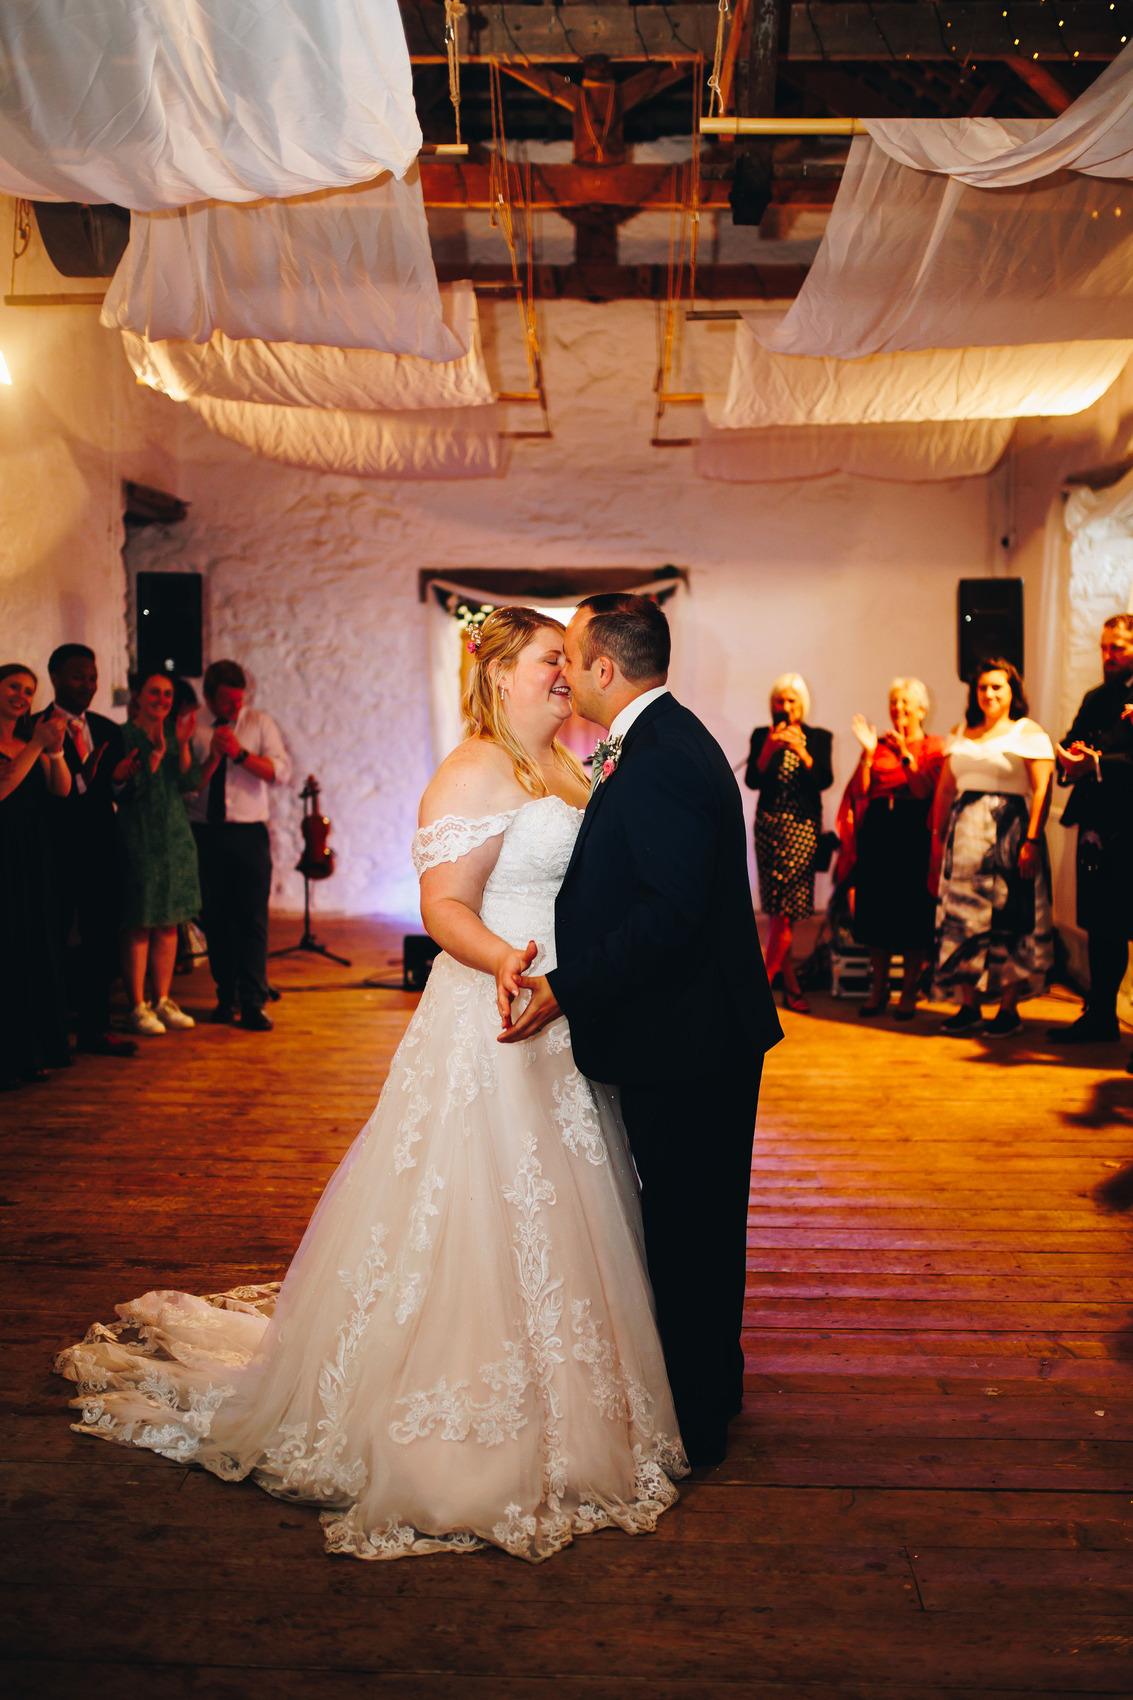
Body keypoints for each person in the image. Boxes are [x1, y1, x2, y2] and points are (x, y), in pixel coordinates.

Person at [57, 608, 687, 1563]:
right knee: (474, 1210)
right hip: (497, 1010)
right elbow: (443, 908)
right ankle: (451, 1419)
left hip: (566, 1018)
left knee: (567, 1210)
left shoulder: (573, 761)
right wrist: (510, 968)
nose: (568, 674)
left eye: (568, 660)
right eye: (552, 660)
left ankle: (577, 1398)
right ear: (501, 672)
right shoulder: (470, 770)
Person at [501, 594, 783, 1468]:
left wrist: (566, 985)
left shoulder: (658, 759)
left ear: (603, 670)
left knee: (688, 1229)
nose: (562, 672)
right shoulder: (664, 740)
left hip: (689, 1040)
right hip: (694, 1031)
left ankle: (695, 1421)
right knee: (693, 1222)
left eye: (570, 657)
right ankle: (708, 1388)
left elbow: (668, 910)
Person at [932, 659, 1055, 1038]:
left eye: (997, 687)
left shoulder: (1027, 732)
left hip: (1010, 840)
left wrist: (1032, 839)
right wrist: (937, 840)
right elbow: (945, 789)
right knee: (961, 922)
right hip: (963, 846)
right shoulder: (961, 731)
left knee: (1011, 920)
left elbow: (1042, 790)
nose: (989, 694)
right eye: (983, 687)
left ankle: (1008, 1009)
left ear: (1012, 692)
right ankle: (968, 1007)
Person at [37, 644, 140, 1057]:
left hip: (100, 850)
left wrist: (116, 780)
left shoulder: (106, 728)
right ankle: (50, 1031)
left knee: (100, 939)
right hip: (53, 852)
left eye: (92, 677)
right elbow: (44, 797)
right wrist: (84, 777)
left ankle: (97, 1028)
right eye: (78, 676)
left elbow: (122, 793)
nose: (88, 685)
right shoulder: (35, 728)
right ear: (56, 677)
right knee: (53, 937)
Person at [188, 660, 291, 1032]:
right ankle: (224, 995)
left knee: (251, 919)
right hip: (204, 833)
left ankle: (253, 1002)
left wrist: (241, 755)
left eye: (238, 700)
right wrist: (212, 756)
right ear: (209, 697)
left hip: (248, 834)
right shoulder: (193, 724)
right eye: (226, 702)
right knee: (214, 919)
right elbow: (185, 782)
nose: (234, 709)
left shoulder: (259, 723)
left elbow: (281, 773)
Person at [1049, 614, 1133, 1046]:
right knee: (1102, 925)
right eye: (1104, 647)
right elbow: (1073, 741)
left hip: (1130, 827)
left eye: (1117, 647)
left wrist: (1098, 763)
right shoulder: (1096, 697)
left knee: (1125, 920)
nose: (1108, 655)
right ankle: (1101, 1015)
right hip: (1098, 829)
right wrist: (1068, 760)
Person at [846, 679, 946, 1019]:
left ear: (921, 708)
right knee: (876, 915)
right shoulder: (878, 746)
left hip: (913, 832)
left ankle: (908, 992)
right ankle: (878, 991)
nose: (898, 708)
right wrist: (868, 753)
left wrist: (905, 754)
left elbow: (923, 791)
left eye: (905, 702)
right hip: (879, 832)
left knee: (913, 916)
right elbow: (861, 791)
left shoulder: (934, 746)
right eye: (893, 702)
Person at [117, 671, 202, 1036]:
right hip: (139, 835)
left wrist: (181, 745)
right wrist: (153, 759)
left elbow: (189, 783)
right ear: (138, 695)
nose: (162, 700)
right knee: (141, 920)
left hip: (174, 837)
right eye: (155, 692)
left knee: (169, 922)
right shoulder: (124, 735)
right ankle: (137, 1005)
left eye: (167, 694)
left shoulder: (172, 733)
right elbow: (126, 791)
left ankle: (162, 999)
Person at [0, 664, 73, 1086]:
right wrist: (35, 747)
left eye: (29, 690)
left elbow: (60, 789)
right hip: (3, 853)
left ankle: (35, 1049)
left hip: (32, 853)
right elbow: (4, 786)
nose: (22, 696)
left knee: (34, 943)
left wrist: (56, 750)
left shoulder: (31, 739)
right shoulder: (21, 745)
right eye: (14, 686)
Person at [744, 674, 834, 1014]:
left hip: (802, 830)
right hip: (769, 828)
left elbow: (823, 779)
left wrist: (801, 749)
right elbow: (754, 779)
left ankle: (761, 988)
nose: (785, 707)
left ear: (803, 705)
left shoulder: (818, 737)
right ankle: (792, 987)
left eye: (792, 701)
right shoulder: (761, 735)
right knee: (777, 912)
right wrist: (769, 746)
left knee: (787, 911)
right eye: (780, 701)